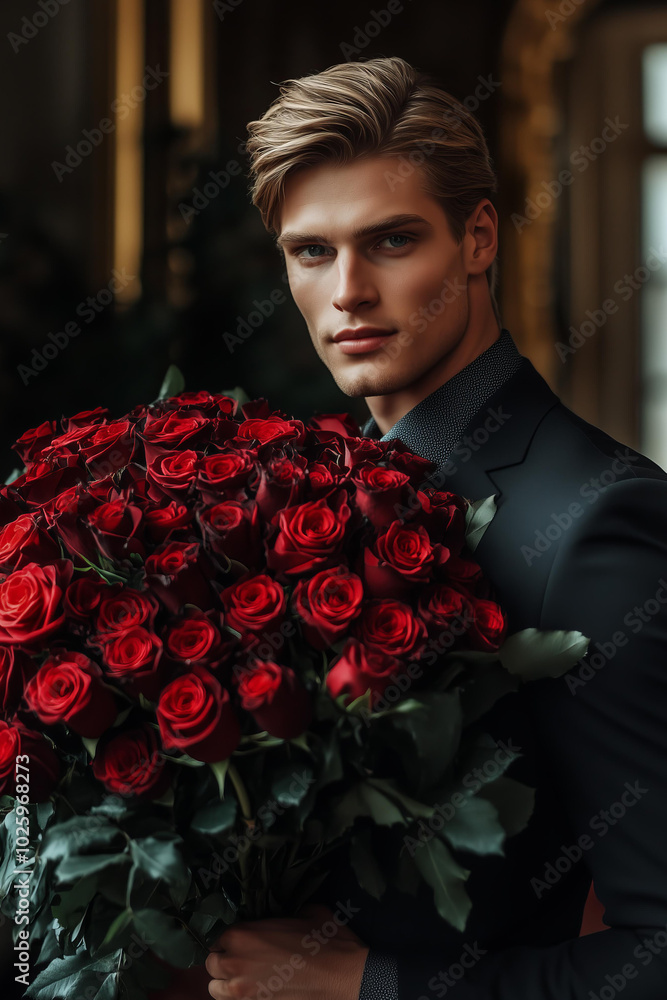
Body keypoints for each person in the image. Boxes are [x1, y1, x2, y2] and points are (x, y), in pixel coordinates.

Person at [205, 55, 667, 1000]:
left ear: (478, 239)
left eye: (392, 241)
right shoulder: (311, 488)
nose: (347, 294)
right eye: (311, 252)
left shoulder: (596, 522)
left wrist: (368, 985)